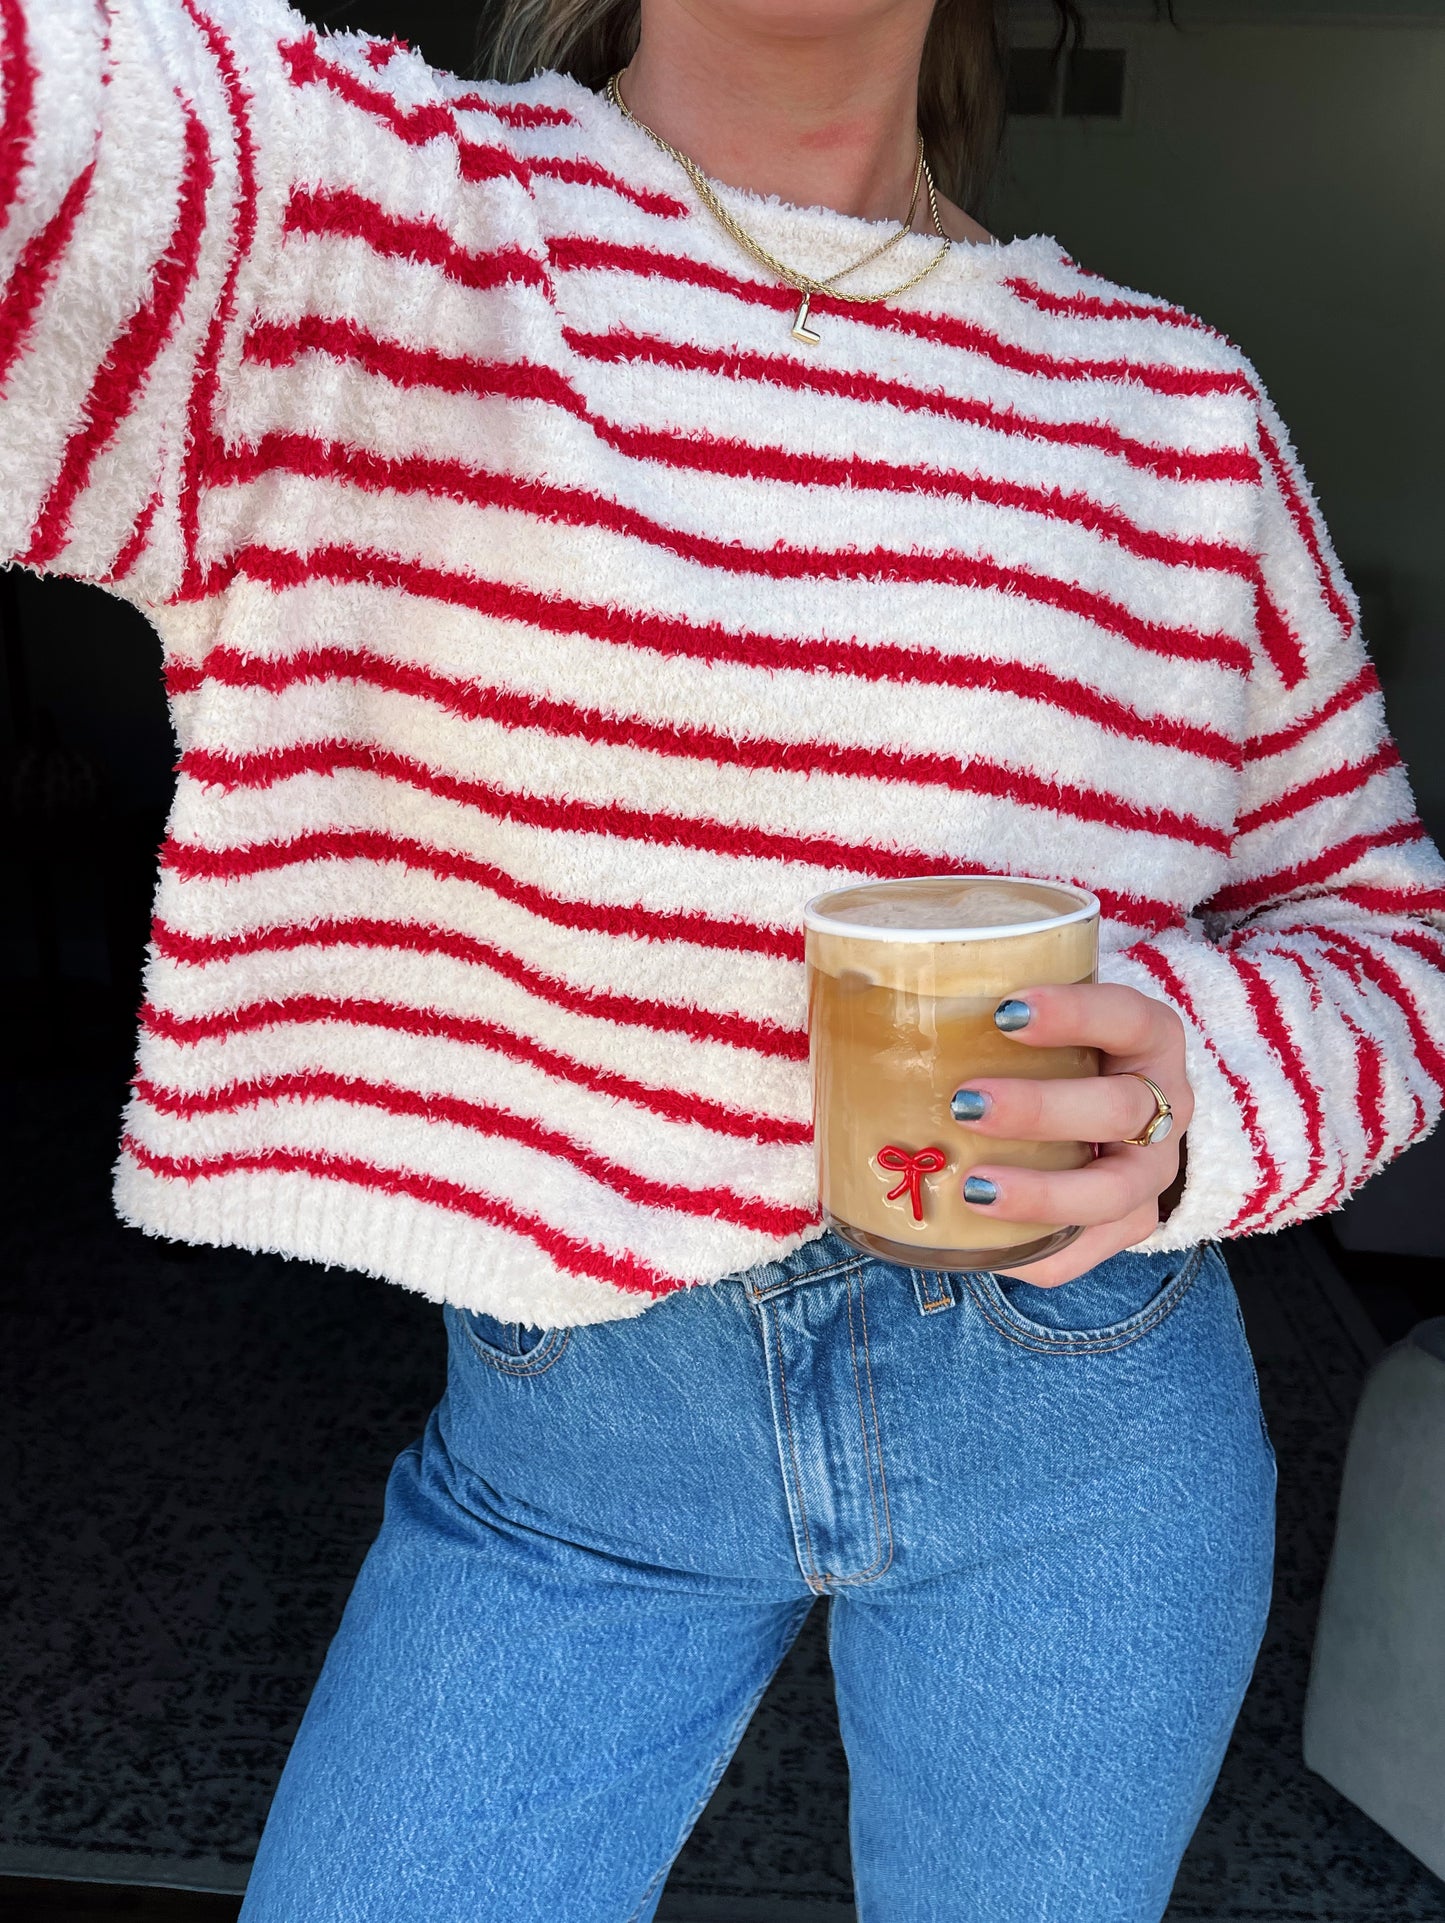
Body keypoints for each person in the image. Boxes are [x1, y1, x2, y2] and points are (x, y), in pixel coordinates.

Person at [4, 0, 1443, 1915]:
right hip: (569, 1457)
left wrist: (1195, 1091)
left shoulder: (1167, 407)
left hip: (1079, 1451)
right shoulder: (352, 230)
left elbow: (1379, 937)